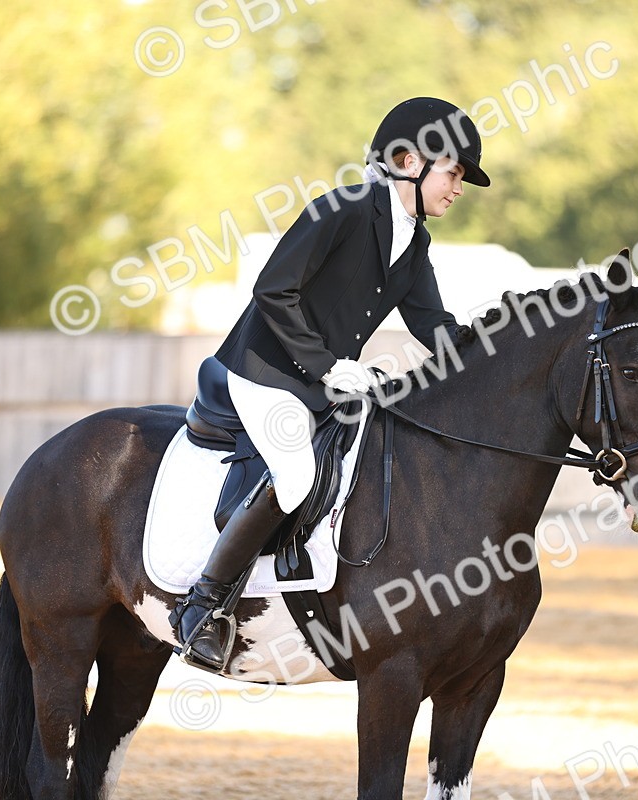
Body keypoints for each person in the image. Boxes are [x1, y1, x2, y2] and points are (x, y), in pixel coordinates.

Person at [171, 97, 492, 670]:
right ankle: (202, 608)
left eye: (462, 176)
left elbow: (430, 324)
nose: (459, 186)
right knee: (296, 475)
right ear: (408, 161)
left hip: (325, 382)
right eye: (454, 171)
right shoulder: (341, 209)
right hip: (264, 372)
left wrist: (491, 349)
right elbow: (272, 291)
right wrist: (325, 364)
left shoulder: (414, 241)